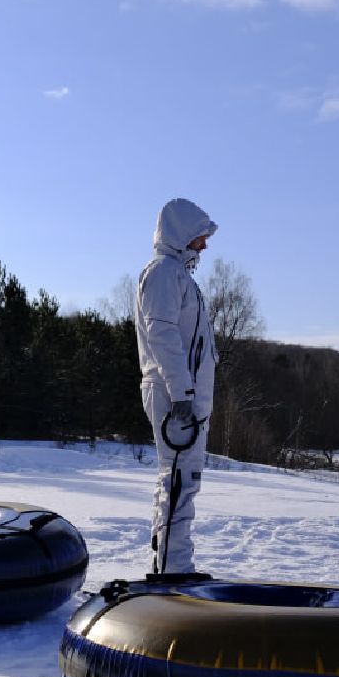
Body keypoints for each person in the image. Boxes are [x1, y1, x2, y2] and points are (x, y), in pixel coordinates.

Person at [134, 198, 218, 577]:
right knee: (181, 480)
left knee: (180, 478)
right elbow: (162, 334)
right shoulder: (164, 273)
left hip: (182, 396)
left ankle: (170, 561)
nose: (203, 245)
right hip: (173, 397)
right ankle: (172, 570)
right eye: (199, 237)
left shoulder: (178, 276)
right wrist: (182, 393)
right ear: (182, 234)